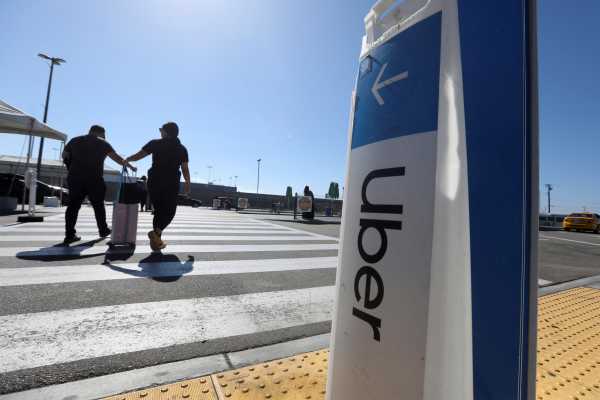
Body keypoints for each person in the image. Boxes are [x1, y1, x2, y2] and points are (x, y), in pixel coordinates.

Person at [62, 125, 135, 244]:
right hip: (94, 179)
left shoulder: (75, 140)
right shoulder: (103, 143)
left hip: (75, 178)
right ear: (100, 133)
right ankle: (103, 230)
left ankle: (69, 235)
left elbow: (64, 155)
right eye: (104, 135)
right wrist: (130, 166)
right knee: (98, 205)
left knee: (73, 206)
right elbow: (117, 159)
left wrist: (71, 166)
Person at [126, 122, 190, 251]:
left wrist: (127, 159)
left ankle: (156, 242)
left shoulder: (155, 143)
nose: (160, 131)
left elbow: (139, 156)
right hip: (171, 182)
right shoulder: (182, 148)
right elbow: (184, 169)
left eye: (161, 130)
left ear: (166, 132)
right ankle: (155, 234)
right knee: (170, 211)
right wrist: (188, 184)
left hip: (154, 181)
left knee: (159, 211)